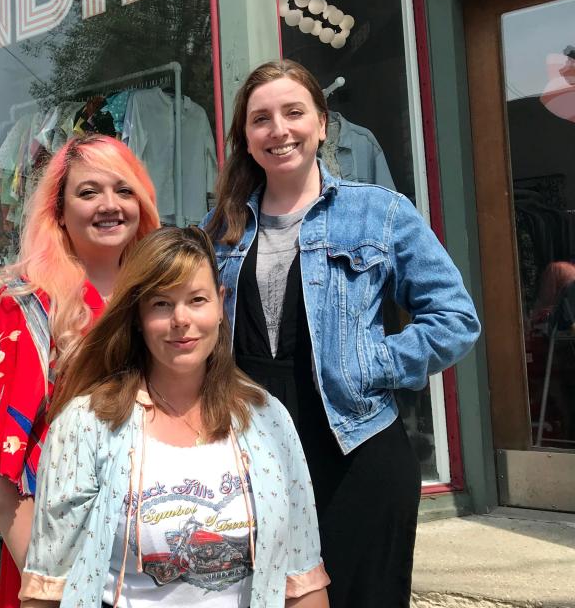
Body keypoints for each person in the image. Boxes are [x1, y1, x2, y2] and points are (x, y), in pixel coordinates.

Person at [202, 59, 481, 608]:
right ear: (246, 137)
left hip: (355, 448)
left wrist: (369, 362)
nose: (278, 130)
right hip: (254, 451)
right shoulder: (220, 230)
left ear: (323, 123)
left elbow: (455, 318)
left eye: (293, 112)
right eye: (261, 119)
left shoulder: (378, 212)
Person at [20, 227, 330, 608]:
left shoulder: (267, 419)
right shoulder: (86, 425)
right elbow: (47, 589)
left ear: (220, 305)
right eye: (162, 304)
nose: (180, 319)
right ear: (137, 316)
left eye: (196, 300)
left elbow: (302, 580)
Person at [0, 134, 160, 608]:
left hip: (154, 561)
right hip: (63, 569)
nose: (109, 205)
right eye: (88, 192)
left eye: (124, 189)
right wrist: (54, 593)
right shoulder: (23, 308)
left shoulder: (157, 297)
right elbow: (2, 483)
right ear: (59, 211)